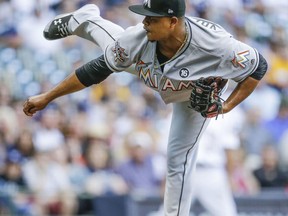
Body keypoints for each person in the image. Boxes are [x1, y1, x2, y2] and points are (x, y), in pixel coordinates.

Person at [22, 0, 268, 215]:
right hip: (148, 66)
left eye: (151, 18)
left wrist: (227, 106)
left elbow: (258, 67)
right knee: (115, 48)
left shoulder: (216, 45)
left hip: (190, 97)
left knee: (179, 160)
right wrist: (48, 96)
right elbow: (93, 72)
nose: (144, 22)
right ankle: (86, 19)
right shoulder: (139, 37)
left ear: (172, 21)